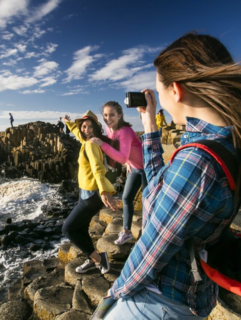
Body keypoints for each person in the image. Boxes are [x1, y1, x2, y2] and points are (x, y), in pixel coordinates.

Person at [102, 32, 241, 320]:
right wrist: (150, 126)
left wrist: (112, 295)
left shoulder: (197, 161)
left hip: (157, 302)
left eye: (159, 91)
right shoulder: (224, 142)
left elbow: (151, 249)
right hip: (191, 296)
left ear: (176, 90)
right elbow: (159, 192)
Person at [61, 110, 119, 274]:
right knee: (80, 228)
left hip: (92, 196)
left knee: (68, 229)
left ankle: (99, 260)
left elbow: (97, 168)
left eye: (89, 127)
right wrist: (68, 122)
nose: (86, 129)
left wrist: (104, 191)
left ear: (95, 129)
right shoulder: (87, 141)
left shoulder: (91, 145)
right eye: (83, 127)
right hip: (86, 194)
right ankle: (92, 259)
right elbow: (78, 134)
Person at [90, 101, 147, 245]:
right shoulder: (110, 129)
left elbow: (121, 157)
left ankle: (149, 233)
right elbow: (123, 152)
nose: (108, 118)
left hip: (147, 169)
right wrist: (129, 163)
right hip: (134, 168)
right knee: (127, 198)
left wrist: (102, 145)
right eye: (105, 115)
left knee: (149, 202)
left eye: (112, 115)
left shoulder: (125, 131)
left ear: (120, 115)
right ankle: (127, 232)